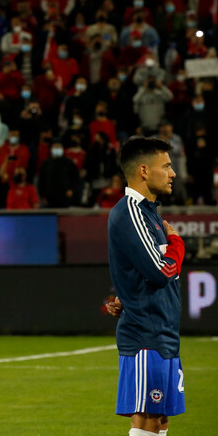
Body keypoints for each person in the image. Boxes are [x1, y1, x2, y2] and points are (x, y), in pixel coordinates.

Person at [108, 138, 185, 436]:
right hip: (145, 336)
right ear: (143, 171)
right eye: (165, 166)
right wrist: (178, 243)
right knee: (147, 420)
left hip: (162, 333)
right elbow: (160, 270)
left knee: (160, 419)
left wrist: (124, 296)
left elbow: (141, 268)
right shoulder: (131, 212)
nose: (173, 173)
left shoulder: (150, 212)